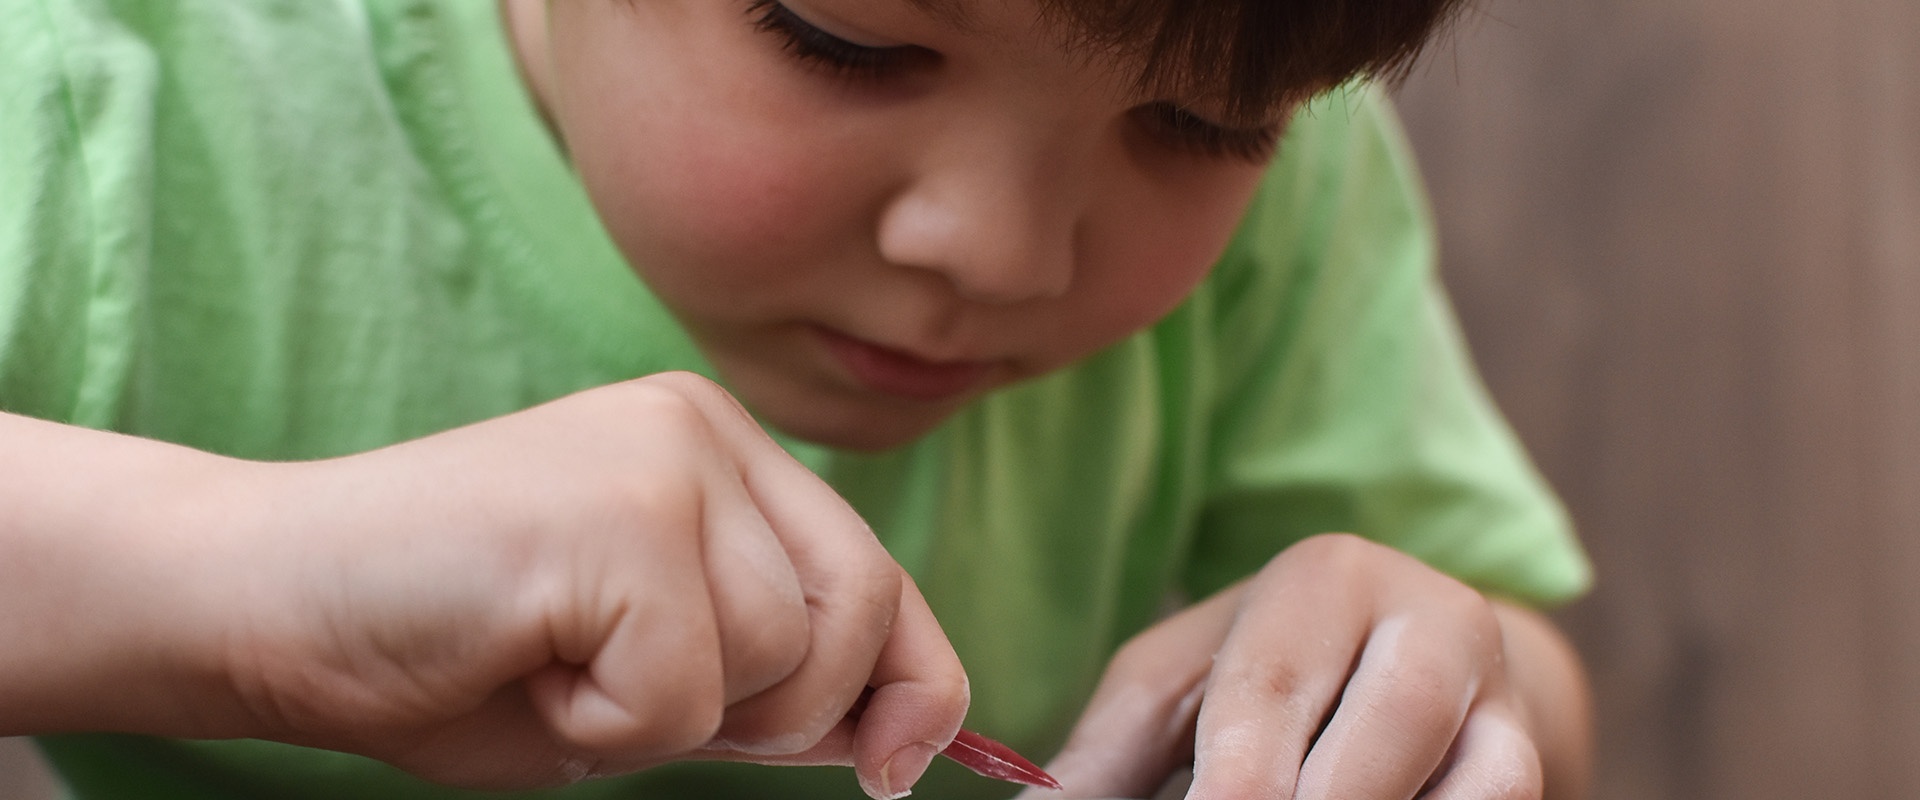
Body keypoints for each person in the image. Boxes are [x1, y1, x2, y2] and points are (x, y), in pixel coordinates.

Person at [0, 0, 1594, 797]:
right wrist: (248, 578)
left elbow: (1527, 674)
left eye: (1200, 131)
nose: (1001, 250)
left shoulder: (1285, 175)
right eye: (848, 39)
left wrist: (1437, 687)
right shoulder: (95, 110)